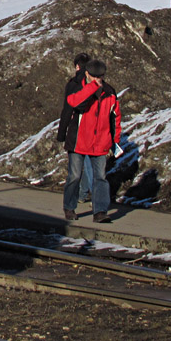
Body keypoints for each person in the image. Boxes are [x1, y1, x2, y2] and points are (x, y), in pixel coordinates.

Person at [63, 59, 122, 223]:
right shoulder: (78, 87)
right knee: (74, 176)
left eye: (100, 76)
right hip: (78, 141)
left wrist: (114, 140)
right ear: (87, 74)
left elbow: (115, 117)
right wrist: (92, 87)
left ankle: (100, 211)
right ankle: (69, 207)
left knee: (100, 177)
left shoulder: (109, 92)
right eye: (94, 76)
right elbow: (73, 102)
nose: (98, 79)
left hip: (100, 142)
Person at [57, 52, 94, 205]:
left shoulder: (74, 84)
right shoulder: (96, 83)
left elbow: (67, 109)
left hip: (78, 129)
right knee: (90, 163)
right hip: (94, 128)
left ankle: (84, 198)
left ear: (77, 66)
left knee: (77, 169)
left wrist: (62, 133)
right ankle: (83, 193)